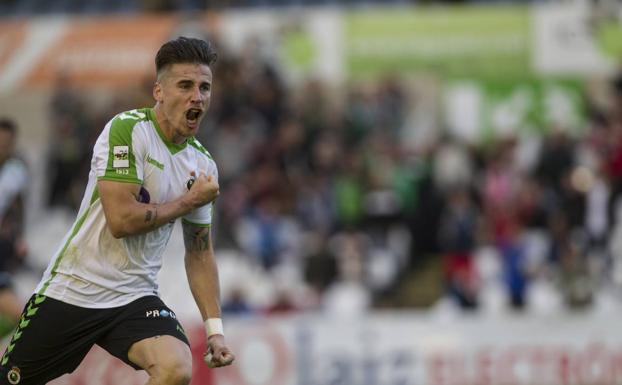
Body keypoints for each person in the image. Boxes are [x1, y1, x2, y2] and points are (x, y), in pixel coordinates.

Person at [0, 36, 235, 385]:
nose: (197, 96)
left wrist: (215, 330)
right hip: (75, 289)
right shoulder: (127, 131)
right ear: (158, 91)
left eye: (204, 87)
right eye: (185, 85)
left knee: (176, 369)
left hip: (134, 296)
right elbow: (122, 221)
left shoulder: (202, 165)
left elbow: (200, 252)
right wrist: (188, 202)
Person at [0, 118, 28, 338]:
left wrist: (19, 236)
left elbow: (18, 206)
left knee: (16, 312)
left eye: (7, 142)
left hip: (4, 246)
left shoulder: (17, 170)